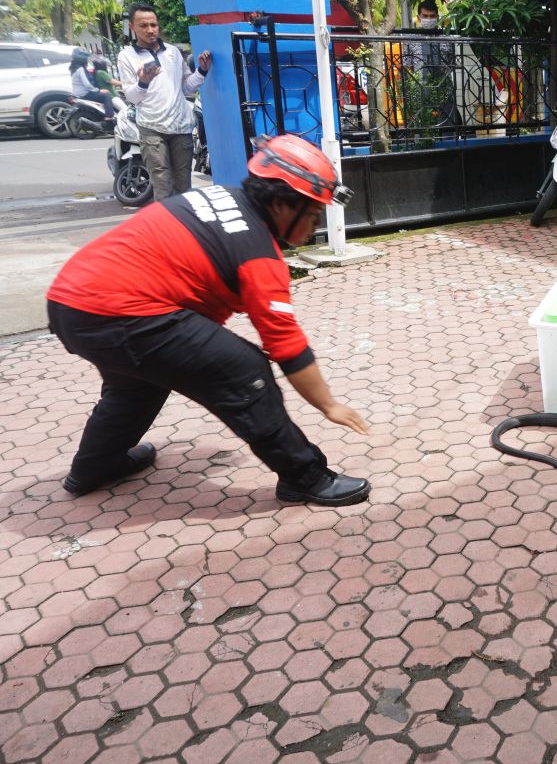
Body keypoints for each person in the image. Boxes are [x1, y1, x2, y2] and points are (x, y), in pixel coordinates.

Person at [46, 135, 372, 507]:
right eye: (313, 214)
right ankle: (305, 476)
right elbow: (287, 344)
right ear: (282, 203)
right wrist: (328, 405)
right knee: (242, 370)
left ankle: (96, 465)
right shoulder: (257, 253)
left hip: (71, 305)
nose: (314, 227)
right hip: (119, 311)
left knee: (136, 385)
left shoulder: (221, 198)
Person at [117, 3, 211, 200]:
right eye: (143, 26)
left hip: (180, 127)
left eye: (153, 24)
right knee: (162, 184)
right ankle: (168, 228)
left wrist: (202, 70)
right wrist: (143, 81)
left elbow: (186, 87)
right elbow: (132, 97)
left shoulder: (173, 53)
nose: (150, 30)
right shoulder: (127, 56)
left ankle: (185, 227)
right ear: (132, 27)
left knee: (184, 184)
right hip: (152, 128)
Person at [402, 0, 459, 138]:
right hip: (421, 89)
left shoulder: (446, 37)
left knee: (447, 128)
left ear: (437, 16)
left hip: (445, 89)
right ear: (419, 17)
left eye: (432, 16)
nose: (428, 19)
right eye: (425, 16)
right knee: (423, 128)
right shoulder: (411, 38)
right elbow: (408, 65)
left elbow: (452, 61)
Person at [69, 49, 115, 121]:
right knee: (107, 95)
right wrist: (98, 90)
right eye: (86, 59)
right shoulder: (81, 69)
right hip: (85, 94)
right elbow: (87, 84)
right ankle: (109, 118)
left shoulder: (74, 68)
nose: (87, 60)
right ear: (82, 60)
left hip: (79, 93)